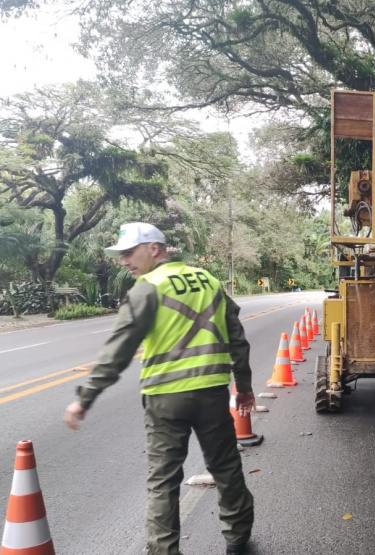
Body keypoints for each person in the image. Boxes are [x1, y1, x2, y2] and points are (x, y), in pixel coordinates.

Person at [63, 222, 256, 555]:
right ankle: (237, 540)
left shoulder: (146, 288)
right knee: (225, 468)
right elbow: (236, 338)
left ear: (154, 248)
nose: (124, 261)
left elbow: (118, 350)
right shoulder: (209, 281)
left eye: (128, 252)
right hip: (211, 392)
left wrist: (85, 398)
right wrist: (245, 387)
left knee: (163, 481)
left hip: (165, 399)